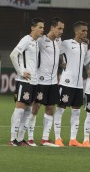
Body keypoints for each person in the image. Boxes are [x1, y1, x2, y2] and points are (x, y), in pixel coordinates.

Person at [24, 17, 64, 147]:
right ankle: (30, 138)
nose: (61, 31)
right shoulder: (41, 41)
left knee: (50, 108)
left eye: (62, 29)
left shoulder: (59, 41)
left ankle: (45, 138)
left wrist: (62, 62)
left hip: (53, 81)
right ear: (52, 28)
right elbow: (28, 49)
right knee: (35, 107)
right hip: (41, 80)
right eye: (59, 28)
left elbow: (60, 53)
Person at [9, 18, 44, 146]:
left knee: (28, 110)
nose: (42, 30)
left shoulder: (36, 42)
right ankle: (12, 139)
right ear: (33, 28)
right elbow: (13, 55)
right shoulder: (26, 40)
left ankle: (20, 139)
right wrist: (20, 72)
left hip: (34, 81)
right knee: (20, 109)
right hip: (24, 81)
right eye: (40, 27)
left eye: (43, 28)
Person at [53, 21, 89, 147]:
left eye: (86, 31)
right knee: (60, 109)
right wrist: (61, 62)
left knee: (76, 111)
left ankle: (73, 139)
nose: (85, 33)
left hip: (79, 84)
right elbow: (57, 51)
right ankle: (57, 138)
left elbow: (85, 61)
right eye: (83, 30)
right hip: (66, 82)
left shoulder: (85, 45)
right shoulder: (67, 43)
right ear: (76, 31)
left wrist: (88, 70)